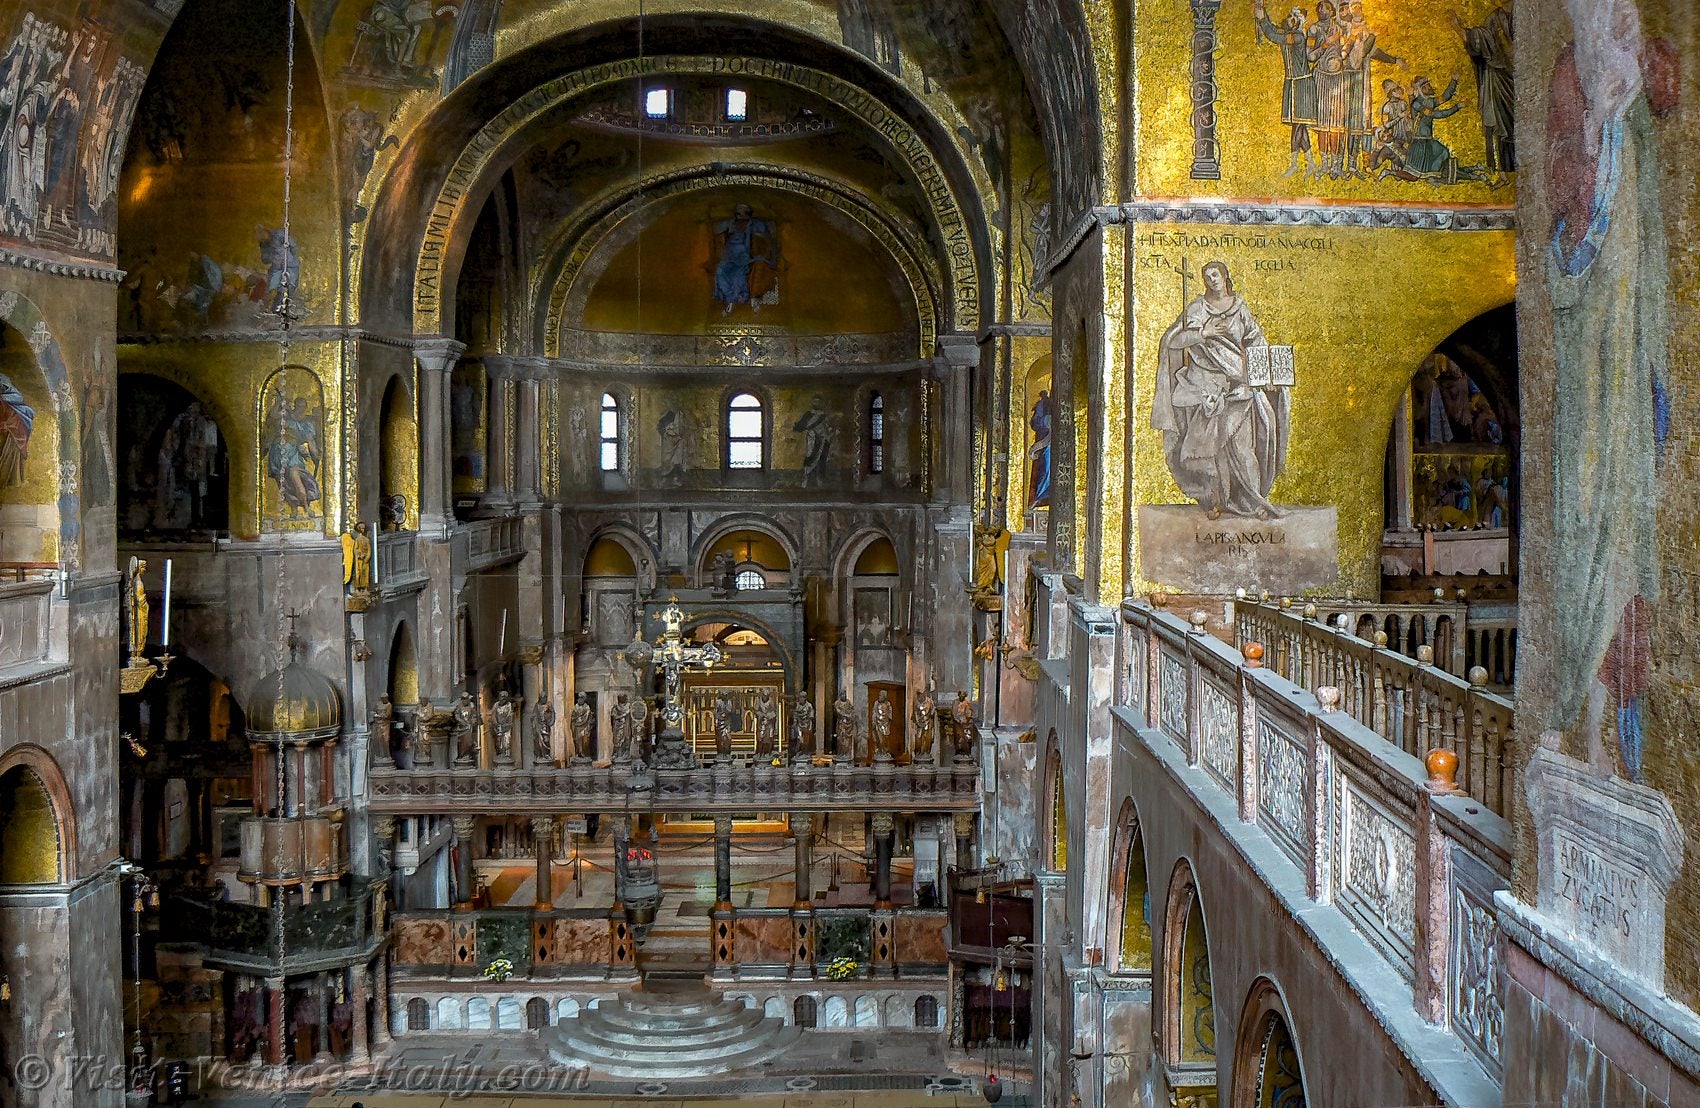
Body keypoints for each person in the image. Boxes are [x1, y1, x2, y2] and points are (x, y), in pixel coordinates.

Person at [1545, 0, 1677, 782]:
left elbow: (1668, 89)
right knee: (1589, 520)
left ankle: (1622, 737)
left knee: (1631, 544)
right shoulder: (1570, 78)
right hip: (1591, 365)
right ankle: (1587, 716)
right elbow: (1567, 233)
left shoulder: (1638, 73)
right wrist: (1594, 136)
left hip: (1634, 358)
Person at [1151, 261, 1288, 520]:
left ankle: (1254, 501)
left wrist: (1268, 373)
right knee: (1209, 451)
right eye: (1207, 276)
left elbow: (1256, 341)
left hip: (1238, 387)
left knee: (1242, 447)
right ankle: (1214, 501)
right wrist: (1203, 332)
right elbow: (1173, 342)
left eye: (1216, 274)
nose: (1212, 279)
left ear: (1225, 276)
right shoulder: (1196, 308)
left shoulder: (1239, 308)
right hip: (1203, 388)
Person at [1254, 3, 1320, 177]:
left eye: (1291, 18)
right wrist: (1263, 12)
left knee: (1297, 126)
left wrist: (1262, 19)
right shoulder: (1286, 34)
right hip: (1292, 83)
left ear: (1297, 24)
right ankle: (1311, 162)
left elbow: (1273, 36)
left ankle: (1294, 164)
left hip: (1303, 85)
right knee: (1300, 127)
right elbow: (1274, 31)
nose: (1287, 20)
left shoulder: (1297, 37)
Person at [1453, 5, 1514, 181]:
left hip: (1510, 78)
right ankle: (1503, 173)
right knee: (1498, 124)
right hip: (1497, 79)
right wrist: (1460, 30)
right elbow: (1480, 43)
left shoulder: (1522, 13)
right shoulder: (1494, 18)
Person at [712, 203, 778, 315]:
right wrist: (728, 225)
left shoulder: (754, 223)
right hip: (730, 255)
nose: (740, 213)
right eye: (738, 210)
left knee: (739, 274)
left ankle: (738, 300)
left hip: (745, 255)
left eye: (743, 210)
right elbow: (716, 229)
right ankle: (729, 299)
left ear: (748, 212)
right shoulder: (732, 223)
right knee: (720, 270)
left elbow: (768, 231)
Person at [267, 392, 320, 518]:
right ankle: (294, 509)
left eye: (303, 406)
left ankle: (307, 508)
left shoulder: (306, 424)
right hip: (277, 451)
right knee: (283, 484)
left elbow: (311, 441)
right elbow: (273, 415)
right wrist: (279, 402)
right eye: (298, 406)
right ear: (295, 406)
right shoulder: (286, 416)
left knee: (295, 478)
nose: (300, 409)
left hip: (292, 454)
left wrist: (316, 455)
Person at [0, 370, 34, 488]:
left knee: (10, 453)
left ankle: (11, 480)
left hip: (12, 430)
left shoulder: (8, 399)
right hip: (7, 427)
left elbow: (16, 398)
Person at [792, 396, 832, 487]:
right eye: (815, 402)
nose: (816, 404)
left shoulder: (823, 416)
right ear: (812, 403)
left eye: (818, 402)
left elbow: (827, 428)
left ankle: (820, 482)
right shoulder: (808, 414)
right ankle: (806, 480)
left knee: (822, 460)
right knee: (810, 457)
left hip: (823, 441)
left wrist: (830, 432)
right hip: (812, 439)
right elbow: (800, 426)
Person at [1027, 388, 1052, 507]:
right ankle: (1039, 497)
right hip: (1045, 441)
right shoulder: (1043, 404)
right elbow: (1035, 422)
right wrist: (1046, 421)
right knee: (1046, 467)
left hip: (1058, 441)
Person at [571, 692, 594, 762]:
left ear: (584, 699)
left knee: (585, 741)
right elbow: (573, 716)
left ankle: (584, 754)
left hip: (584, 727)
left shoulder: (587, 707)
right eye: (579, 698)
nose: (580, 700)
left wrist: (581, 719)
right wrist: (576, 719)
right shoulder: (575, 707)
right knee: (577, 741)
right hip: (577, 728)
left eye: (582, 698)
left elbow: (587, 717)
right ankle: (578, 754)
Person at [532, 693, 555, 763]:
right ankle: (540, 755)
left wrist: (551, 721)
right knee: (539, 741)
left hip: (546, 726)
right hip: (539, 726)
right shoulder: (537, 705)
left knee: (546, 740)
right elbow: (534, 715)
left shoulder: (549, 705)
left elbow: (553, 713)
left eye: (545, 697)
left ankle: (547, 754)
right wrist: (534, 720)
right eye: (542, 698)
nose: (544, 699)